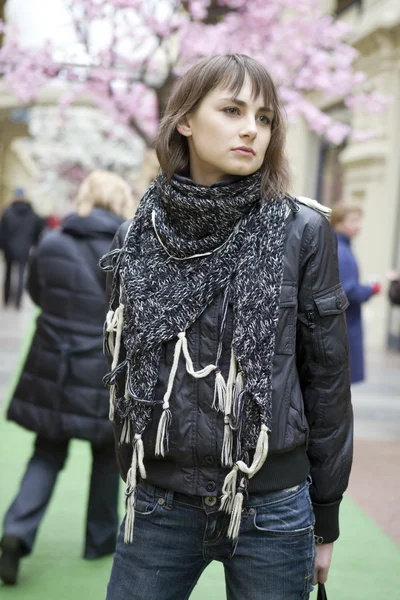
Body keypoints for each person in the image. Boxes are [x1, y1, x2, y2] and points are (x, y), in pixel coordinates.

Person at [102, 54, 353, 600]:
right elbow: (122, 374)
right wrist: (137, 472)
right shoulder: (137, 237)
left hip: (271, 504)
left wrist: (325, 520)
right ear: (185, 121)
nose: (251, 129)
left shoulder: (302, 231)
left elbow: (327, 381)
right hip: (159, 504)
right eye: (233, 109)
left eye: (264, 118)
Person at [0, 171, 134, 586]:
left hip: (52, 362)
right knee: (103, 454)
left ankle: (17, 531)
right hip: (100, 366)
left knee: (47, 451)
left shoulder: (53, 241)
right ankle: (99, 540)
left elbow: (37, 292)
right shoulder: (126, 249)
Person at [331, 203, 381, 384]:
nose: (358, 225)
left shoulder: (338, 246)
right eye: (353, 220)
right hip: (346, 323)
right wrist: (371, 289)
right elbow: (348, 291)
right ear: (338, 222)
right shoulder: (342, 251)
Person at [0, 188, 44, 309]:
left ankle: (6, 300)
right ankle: (18, 303)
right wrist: (33, 245)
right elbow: (38, 232)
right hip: (25, 249)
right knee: (21, 274)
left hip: (9, 249)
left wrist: (3, 247)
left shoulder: (8, 212)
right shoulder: (32, 214)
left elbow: (2, 232)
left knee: (8, 274)